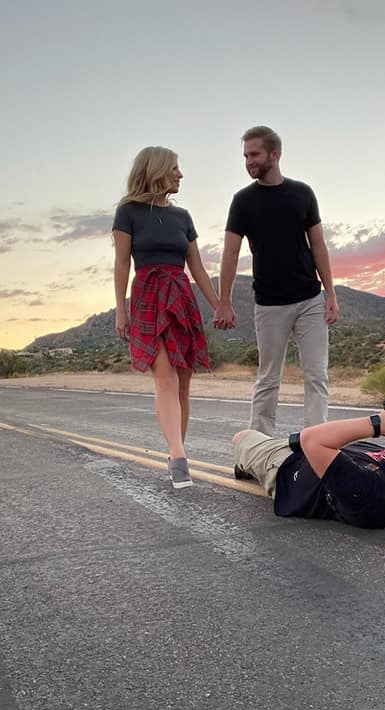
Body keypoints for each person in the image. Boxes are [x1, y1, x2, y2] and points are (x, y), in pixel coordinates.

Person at [214, 125, 340, 436]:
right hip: (269, 304)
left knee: (316, 375)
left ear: (275, 154)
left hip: (309, 299)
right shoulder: (242, 201)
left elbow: (318, 245)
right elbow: (230, 254)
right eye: (245, 156)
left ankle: (316, 442)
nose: (249, 161)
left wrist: (331, 293)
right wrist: (224, 302)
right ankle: (259, 444)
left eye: (254, 154)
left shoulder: (303, 193)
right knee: (268, 378)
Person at [112, 146, 220, 489]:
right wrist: (120, 310)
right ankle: (178, 458)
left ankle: (177, 453)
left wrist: (219, 305)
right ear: (157, 170)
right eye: (174, 168)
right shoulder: (128, 212)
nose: (180, 175)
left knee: (183, 384)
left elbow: (197, 268)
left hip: (180, 296)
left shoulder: (183, 216)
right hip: (147, 296)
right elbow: (121, 264)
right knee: (165, 377)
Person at [232, 392, 385, 529]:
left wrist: (378, 424)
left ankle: (250, 468)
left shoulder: (372, 497)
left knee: (242, 437)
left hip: (290, 467)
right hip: (334, 450)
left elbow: (311, 440)